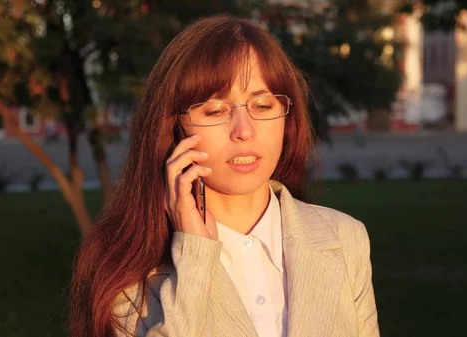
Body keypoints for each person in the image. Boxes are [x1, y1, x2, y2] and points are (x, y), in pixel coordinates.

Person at [69, 14, 379, 337]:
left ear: (287, 120)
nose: (244, 131)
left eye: (262, 106)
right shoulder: (127, 277)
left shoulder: (345, 240)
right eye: (216, 111)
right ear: (175, 128)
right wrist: (195, 260)